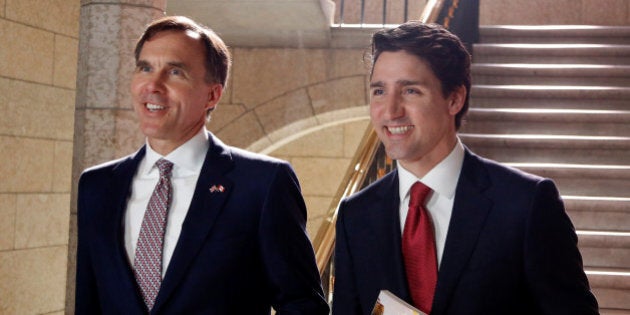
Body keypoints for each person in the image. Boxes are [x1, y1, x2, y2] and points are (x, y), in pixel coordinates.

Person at [332, 21, 599, 315]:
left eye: (410, 91)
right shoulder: (356, 215)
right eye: (379, 91)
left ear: (454, 99)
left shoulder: (525, 204)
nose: (391, 110)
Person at [75, 16, 329, 314]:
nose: (153, 86)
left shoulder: (262, 184)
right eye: (145, 68)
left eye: (175, 72)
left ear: (212, 94)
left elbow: (303, 305)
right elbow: (88, 302)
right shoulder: (97, 186)